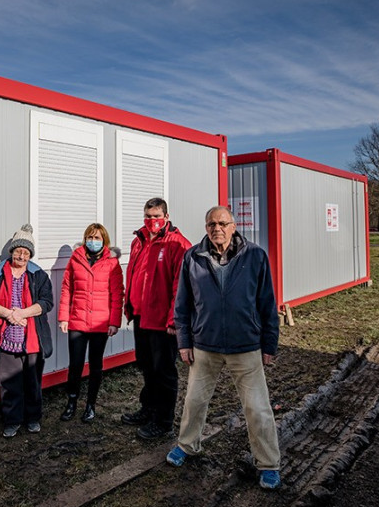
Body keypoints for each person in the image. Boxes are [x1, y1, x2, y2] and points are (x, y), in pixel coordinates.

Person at [165, 205, 282, 490]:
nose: (217, 228)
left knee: (257, 407)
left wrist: (269, 343)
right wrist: (184, 342)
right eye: (211, 224)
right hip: (205, 344)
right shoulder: (193, 257)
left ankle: (268, 464)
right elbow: (182, 304)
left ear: (234, 226)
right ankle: (187, 445)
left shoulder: (255, 256)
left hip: (246, 345)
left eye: (222, 223)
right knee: (194, 401)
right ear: (206, 228)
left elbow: (267, 303)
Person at [121, 197, 191, 439]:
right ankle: (148, 409)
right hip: (141, 316)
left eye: (156, 216)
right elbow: (133, 274)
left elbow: (181, 286)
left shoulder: (177, 244)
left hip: (162, 322)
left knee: (163, 370)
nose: (152, 221)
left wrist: (174, 320)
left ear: (166, 217)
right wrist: (129, 306)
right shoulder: (138, 241)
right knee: (147, 366)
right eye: (148, 216)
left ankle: (163, 421)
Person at [0, 224, 54, 438]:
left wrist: (22, 313)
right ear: (12, 251)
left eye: (26, 252)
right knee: (10, 383)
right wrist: (8, 314)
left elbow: (46, 302)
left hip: (32, 338)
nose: (21, 256)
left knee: (33, 382)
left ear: (30, 255)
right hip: (6, 338)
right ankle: (12, 420)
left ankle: (33, 418)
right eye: (18, 251)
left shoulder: (38, 275)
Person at [57, 223, 124, 423]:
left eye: (97, 238)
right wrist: (64, 317)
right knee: (75, 365)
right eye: (90, 237)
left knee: (96, 366)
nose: (93, 241)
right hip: (77, 321)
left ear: (104, 241)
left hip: (100, 323)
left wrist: (114, 322)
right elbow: (67, 289)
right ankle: (71, 402)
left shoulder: (112, 263)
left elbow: (117, 294)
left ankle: (90, 405)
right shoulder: (75, 259)